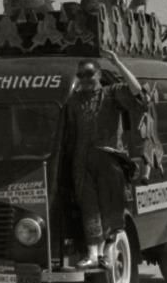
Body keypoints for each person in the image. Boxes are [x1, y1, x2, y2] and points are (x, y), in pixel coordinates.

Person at [61, 49, 143, 269]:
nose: (86, 79)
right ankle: (92, 254)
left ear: (98, 74)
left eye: (89, 74)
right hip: (81, 160)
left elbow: (137, 91)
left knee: (111, 207)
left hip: (108, 159)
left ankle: (108, 252)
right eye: (81, 75)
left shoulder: (111, 94)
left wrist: (117, 63)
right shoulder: (74, 101)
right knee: (89, 207)